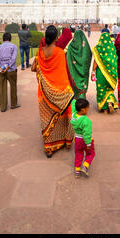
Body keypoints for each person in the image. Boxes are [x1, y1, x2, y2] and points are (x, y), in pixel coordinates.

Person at [31, 25, 74, 157]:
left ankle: (49, 147)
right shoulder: (60, 52)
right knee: (64, 117)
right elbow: (62, 74)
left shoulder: (40, 52)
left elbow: (34, 68)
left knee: (47, 118)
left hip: (44, 92)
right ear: (56, 37)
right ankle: (64, 141)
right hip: (61, 92)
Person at [91, 32, 118, 114]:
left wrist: (92, 72)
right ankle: (110, 102)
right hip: (111, 74)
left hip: (100, 73)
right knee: (109, 89)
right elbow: (115, 61)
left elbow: (96, 62)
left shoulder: (98, 49)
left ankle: (104, 109)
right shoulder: (112, 48)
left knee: (101, 89)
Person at [0, 32, 20, 112]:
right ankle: (13, 104)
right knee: (13, 87)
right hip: (11, 69)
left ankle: (3, 107)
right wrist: (7, 66)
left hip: (2, 70)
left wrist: (0, 68)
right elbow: (13, 58)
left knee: (2, 88)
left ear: (3, 39)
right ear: (10, 39)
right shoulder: (13, 46)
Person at [70, 98, 95, 177]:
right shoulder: (86, 120)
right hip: (84, 141)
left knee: (78, 153)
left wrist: (73, 99)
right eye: (88, 108)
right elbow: (86, 133)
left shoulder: (73, 115)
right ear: (83, 110)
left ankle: (77, 170)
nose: (88, 109)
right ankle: (85, 166)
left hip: (77, 139)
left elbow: (73, 105)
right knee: (90, 153)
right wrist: (88, 144)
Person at [66, 29, 92, 99]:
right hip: (84, 69)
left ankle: (75, 99)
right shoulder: (86, 47)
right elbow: (89, 55)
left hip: (74, 70)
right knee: (83, 84)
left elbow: (67, 55)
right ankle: (82, 97)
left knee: (75, 81)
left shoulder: (71, 46)